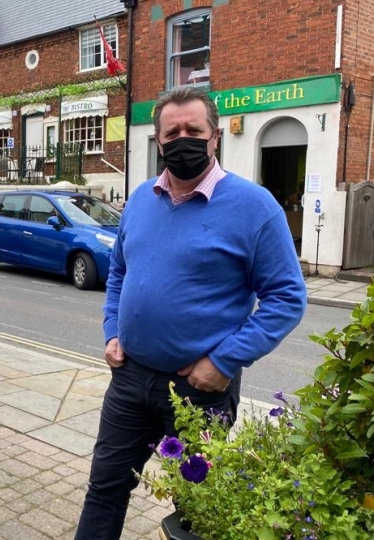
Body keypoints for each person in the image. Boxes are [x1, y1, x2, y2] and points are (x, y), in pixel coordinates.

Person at [74, 86, 307, 539]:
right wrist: (111, 331)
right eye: (172, 132)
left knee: (196, 511)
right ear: (159, 140)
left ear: (214, 136)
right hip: (129, 379)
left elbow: (286, 297)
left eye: (193, 130)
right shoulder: (141, 198)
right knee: (104, 488)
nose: (182, 139)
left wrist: (223, 361)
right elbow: (120, 271)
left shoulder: (255, 207)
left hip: (199, 392)